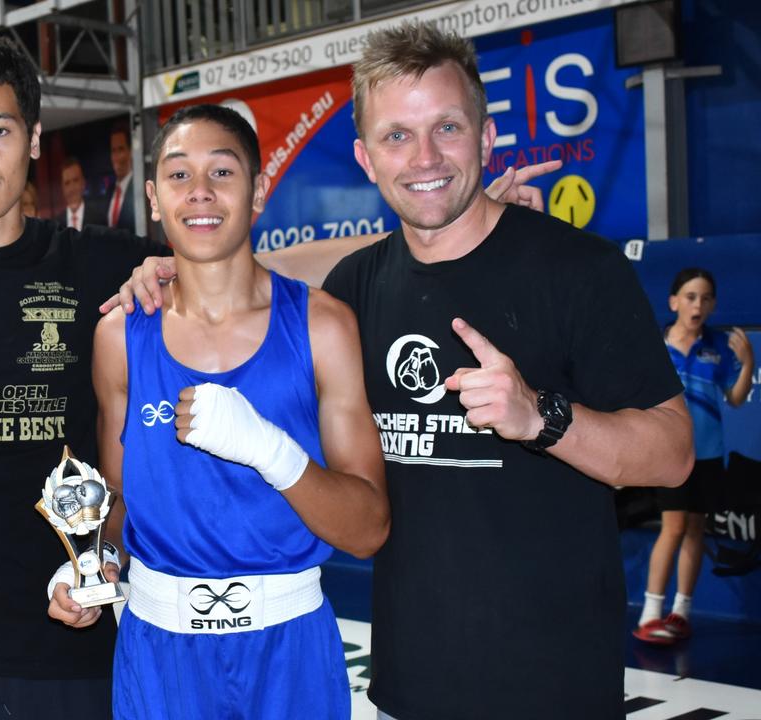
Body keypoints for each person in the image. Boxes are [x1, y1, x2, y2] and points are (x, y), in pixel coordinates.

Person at [0, 32, 553, 719]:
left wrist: (450, 224)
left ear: (34, 138)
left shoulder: (111, 269)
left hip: (88, 624)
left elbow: (246, 268)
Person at [112, 22, 692, 720]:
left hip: (555, 687)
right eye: (396, 136)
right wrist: (175, 259)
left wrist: (541, 417)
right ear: (365, 156)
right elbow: (251, 276)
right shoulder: (356, 290)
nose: (424, 156)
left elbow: (673, 454)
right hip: (408, 688)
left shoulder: (578, 271)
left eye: (446, 127)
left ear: (484, 138)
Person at [52, 104, 387, 720]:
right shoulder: (119, 337)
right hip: (159, 654)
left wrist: (271, 451)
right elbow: (123, 505)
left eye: (222, 173)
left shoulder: (323, 327)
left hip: (289, 651)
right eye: (179, 175)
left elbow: (367, 529)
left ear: (258, 190)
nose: (200, 192)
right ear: (152, 197)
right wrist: (89, 565)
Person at [634, 268, 754, 645]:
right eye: (689, 296)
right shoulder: (654, 346)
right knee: (673, 527)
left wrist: (747, 363)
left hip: (709, 456)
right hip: (670, 455)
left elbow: (735, 399)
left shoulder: (717, 347)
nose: (697, 304)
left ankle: (680, 612)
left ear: (713, 305)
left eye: (704, 298)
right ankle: (651, 613)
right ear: (673, 302)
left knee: (696, 530)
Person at [106, 122, 136, 233]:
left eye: (121, 149)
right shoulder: (109, 191)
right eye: (113, 151)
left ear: (130, 151)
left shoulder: (139, 188)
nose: (116, 157)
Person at [60, 156, 104, 230]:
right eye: (67, 183)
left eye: (75, 180)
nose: (72, 189)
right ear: (62, 188)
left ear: (83, 183)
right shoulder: (56, 225)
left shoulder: (99, 220)